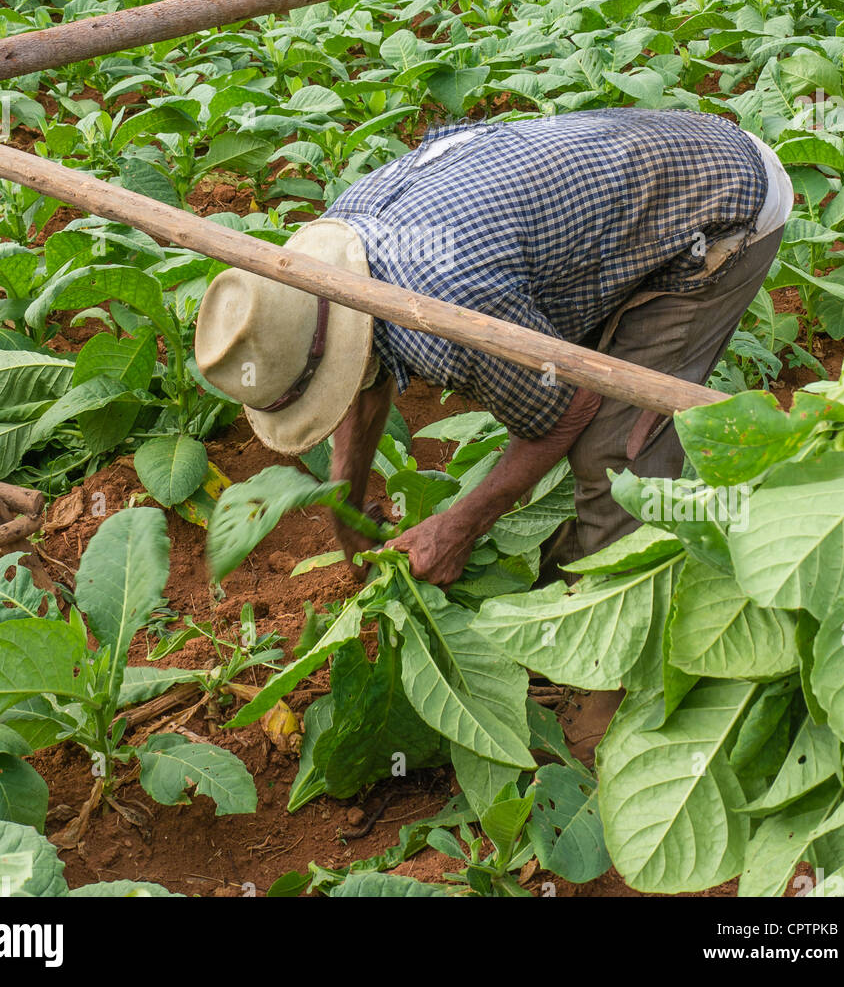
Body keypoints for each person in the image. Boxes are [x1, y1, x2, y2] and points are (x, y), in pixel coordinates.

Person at [195, 110, 792, 751]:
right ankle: (574, 568)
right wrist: (348, 498)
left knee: (615, 452)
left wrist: (458, 526)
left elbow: (565, 410)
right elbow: (364, 373)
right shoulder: (336, 260)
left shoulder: (445, 309)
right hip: (631, 188)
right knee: (568, 386)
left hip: (720, 212)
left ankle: (616, 676)